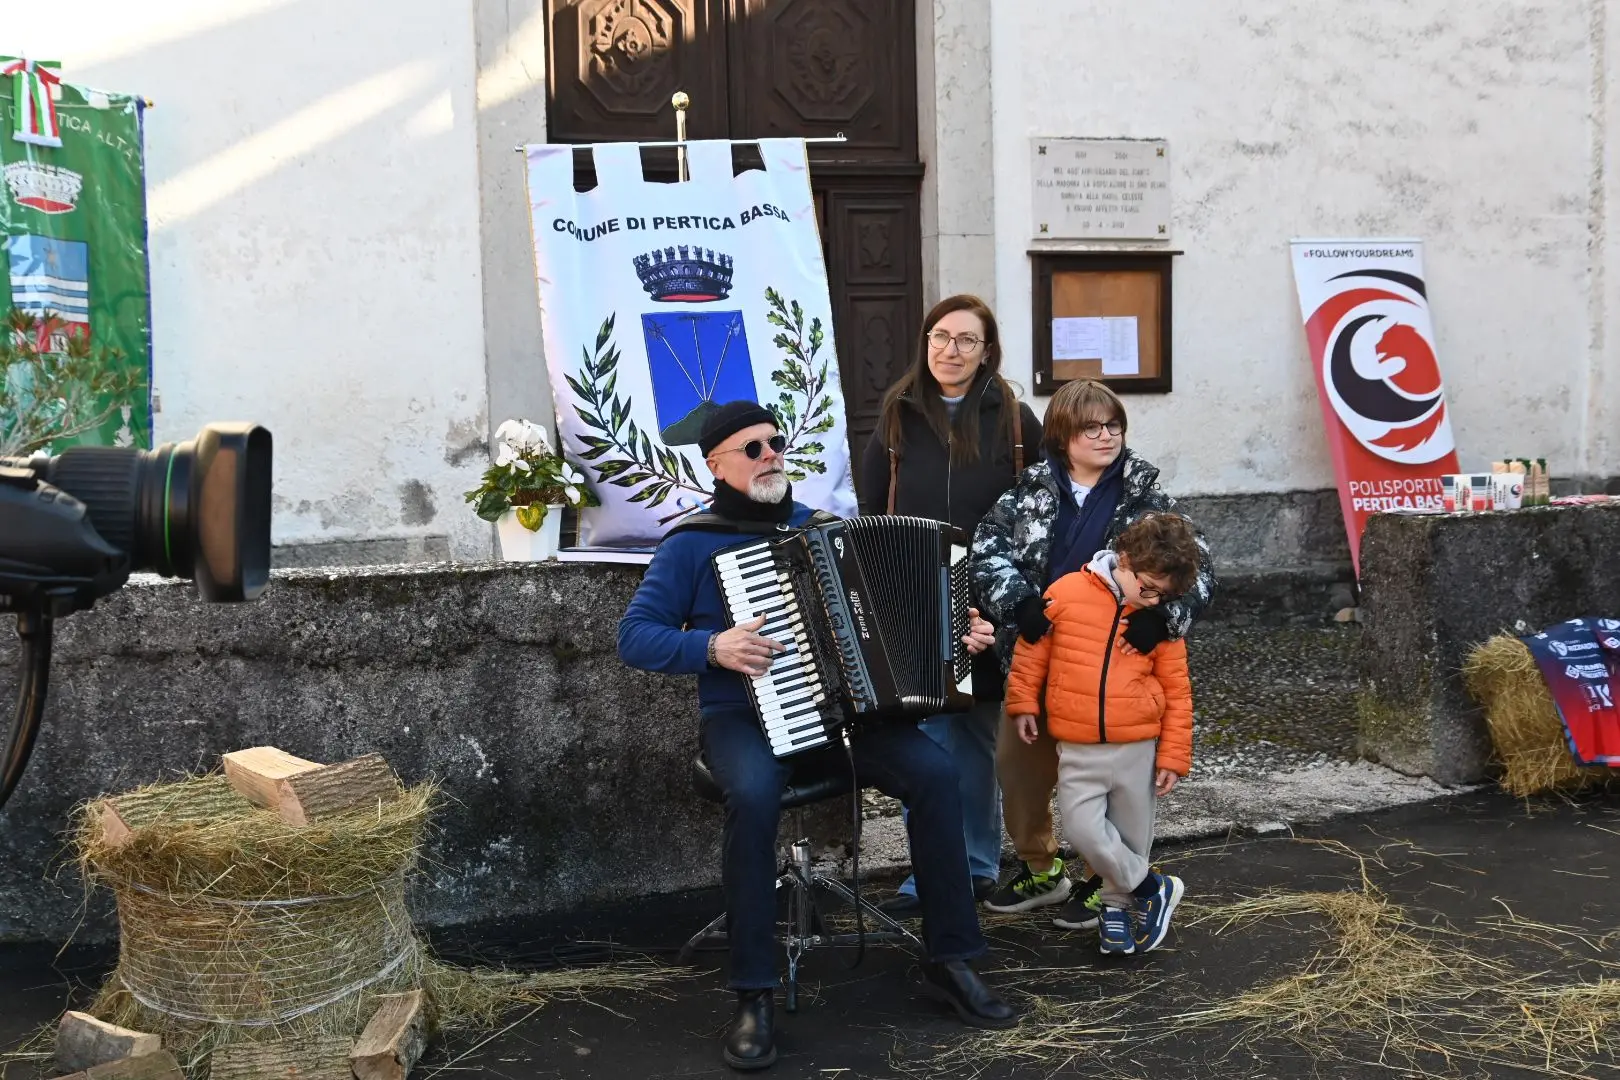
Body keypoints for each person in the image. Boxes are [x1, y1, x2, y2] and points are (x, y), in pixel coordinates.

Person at [617, 400, 1019, 1072]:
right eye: (752, 449)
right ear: (715, 464)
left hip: (847, 717)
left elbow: (915, 617)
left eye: (775, 442)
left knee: (935, 771)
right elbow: (635, 637)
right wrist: (712, 647)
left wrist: (964, 636)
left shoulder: (822, 529)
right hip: (742, 717)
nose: (770, 455)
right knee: (753, 796)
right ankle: (754, 991)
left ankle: (951, 958)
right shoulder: (691, 544)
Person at [971, 379, 1215, 929]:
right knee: (1019, 771)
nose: (1107, 436)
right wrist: (1020, 603)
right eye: (1092, 428)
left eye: (1113, 426)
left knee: (1111, 790)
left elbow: (1200, 566)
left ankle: (1103, 883)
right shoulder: (1029, 489)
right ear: (1062, 436)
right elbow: (987, 550)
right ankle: (1041, 868)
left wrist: (1162, 619)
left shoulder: (1146, 496)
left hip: (1115, 671)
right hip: (1041, 658)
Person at [858, 294, 1043, 916]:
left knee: (972, 738)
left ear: (987, 351)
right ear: (926, 342)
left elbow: (1039, 512)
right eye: (941, 337)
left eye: (967, 340)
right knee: (925, 738)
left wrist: (1015, 599)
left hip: (986, 606)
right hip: (915, 599)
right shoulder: (899, 413)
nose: (951, 350)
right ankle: (931, 871)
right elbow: (873, 509)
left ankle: (975, 865)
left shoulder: (1015, 420)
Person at [1004, 513, 1198, 954]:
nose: (1153, 600)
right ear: (1125, 560)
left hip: (1138, 748)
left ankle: (1115, 910)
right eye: (1148, 588)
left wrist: (1173, 755)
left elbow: (1178, 691)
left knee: (1130, 836)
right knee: (1082, 828)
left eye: (1163, 595)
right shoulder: (1067, 591)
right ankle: (1153, 888)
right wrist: (1023, 703)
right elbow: (1033, 650)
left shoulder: (1160, 621)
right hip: (1078, 745)